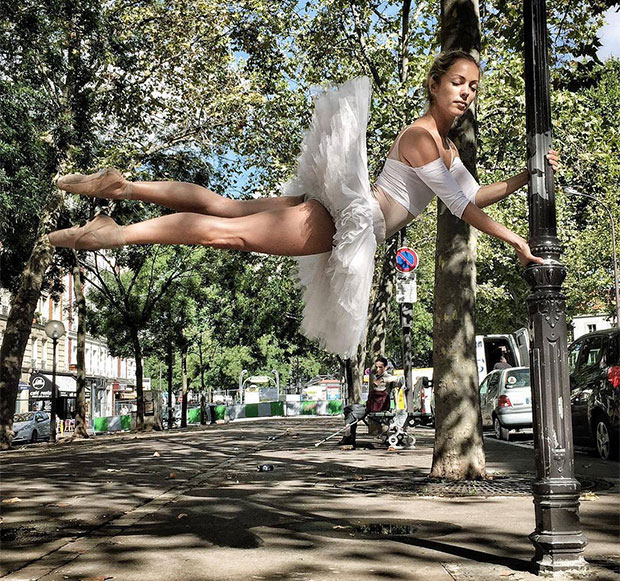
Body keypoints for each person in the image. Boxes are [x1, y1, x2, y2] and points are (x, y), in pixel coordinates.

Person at [48, 50, 559, 359]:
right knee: (229, 233)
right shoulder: (425, 138)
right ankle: (114, 234)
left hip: (344, 206)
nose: (466, 93)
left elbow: (474, 194)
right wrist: (515, 238)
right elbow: (461, 207)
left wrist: (529, 175)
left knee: (227, 208)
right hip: (348, 218)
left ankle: (126, 188)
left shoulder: (446, 148)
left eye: (473, 86)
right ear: (434, 85)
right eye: (457, 82)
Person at [339, 356, 401, 449]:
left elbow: (397, 378)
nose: (378, 369)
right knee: (348, 409)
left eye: (380, 367)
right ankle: (348, 435)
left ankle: (348, 436)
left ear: (386, 367)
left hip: (377, 407)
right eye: (376, 367)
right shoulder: (377, 376)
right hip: (371, 405)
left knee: (351, 412)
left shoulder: (386, 376)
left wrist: (382, 380)